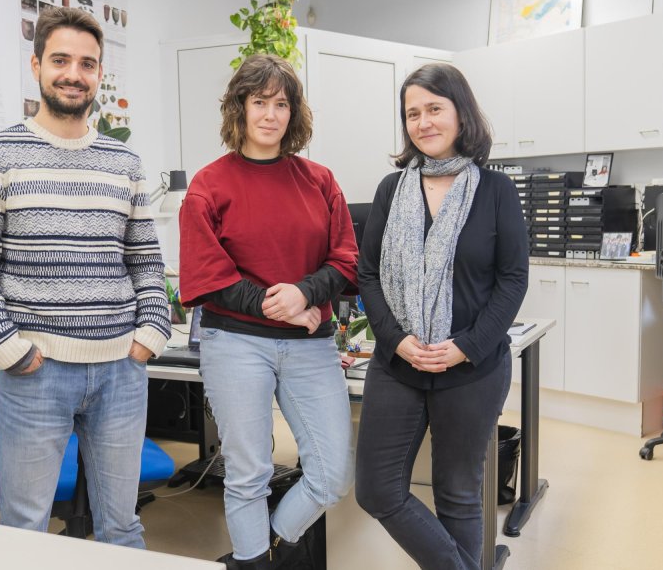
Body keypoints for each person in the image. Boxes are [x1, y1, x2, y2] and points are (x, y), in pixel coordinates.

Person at [0, 6, 170, 547]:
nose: (74, 73)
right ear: (36, 66)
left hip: (121, 372)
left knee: (123, 527)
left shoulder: (124, 163)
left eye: (87, 63)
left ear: (99, 75)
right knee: (25, 533)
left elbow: (145, 260)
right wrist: (9, 350)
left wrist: (150, 335)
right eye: (61, 60)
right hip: (34, 375)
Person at [179, 54, 358, 569]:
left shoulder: (319, 180)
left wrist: (305, 294)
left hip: (311, 345)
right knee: (249, 473)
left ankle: (268, 548)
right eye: (260, 102)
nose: (271, 114)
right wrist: (280, 308)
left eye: (282, 104)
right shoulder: (209, 185)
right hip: (234, 343)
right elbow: (205, 275)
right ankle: (253, 559)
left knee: (331, 475)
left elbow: (346, 257)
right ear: (240, 107)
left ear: (293, 114)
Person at [355, 63, 529, 570]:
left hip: (472, 367)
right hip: (399, 363)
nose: (423, 122)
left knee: (457, 495)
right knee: (377, 489)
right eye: (413, 113)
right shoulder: (392, 189)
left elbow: (512, 280)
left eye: (434, 109)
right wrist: (397, 340)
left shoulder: (496, 191)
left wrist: (465, 346)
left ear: (460, 113)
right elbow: (368, 275)